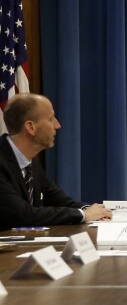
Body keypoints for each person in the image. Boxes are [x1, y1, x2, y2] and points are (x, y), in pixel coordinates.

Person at [0, 93, 113, 230]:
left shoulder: (32, 163)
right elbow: (20, 214)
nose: (57, 125)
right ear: (31, 127)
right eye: (50, 119)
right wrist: (83, 214)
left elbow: (59, 201)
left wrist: (91, 210)